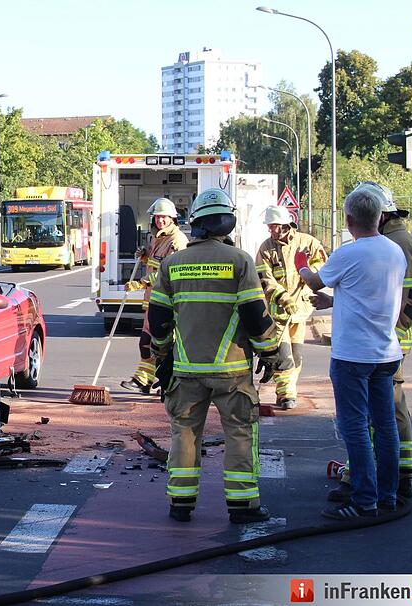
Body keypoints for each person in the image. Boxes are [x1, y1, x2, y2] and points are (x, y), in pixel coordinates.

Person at [148, 188, 289, 524]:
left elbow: (158, 319)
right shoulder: (240, 261)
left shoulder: (173, 263)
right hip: (232, 372)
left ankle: (180, 503)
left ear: (195, 222)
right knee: (239, 433)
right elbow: (256, 317)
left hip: (186, 371)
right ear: (228, 222)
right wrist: (271, 354)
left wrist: (161, 354)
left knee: (184, 432)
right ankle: (242, 505)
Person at [296, 185, 405, 519]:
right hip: (386, 354)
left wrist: (302, 267)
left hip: (353, 356)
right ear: (380, 216)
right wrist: (334, 302)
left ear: (348, 220)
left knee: (355, 426)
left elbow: (315, 281)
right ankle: (387, 496)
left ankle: (363, 501)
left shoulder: (348, 253)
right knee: (385, 426)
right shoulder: (394, 251)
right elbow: (368, 294)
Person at [326, 181, 412, 503]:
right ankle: (386, 488)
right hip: (385, 347)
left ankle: (368, 493)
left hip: (368, 348)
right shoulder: (393, 245)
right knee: (382, 421)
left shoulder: (383, 244)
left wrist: (391, 329)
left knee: (362, 422)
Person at [254, 206, 328, 410]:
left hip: (301, 310)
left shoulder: (306, 243)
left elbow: (323, 263)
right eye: (269, 226)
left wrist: (308, 273)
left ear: (285, 225)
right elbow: (264, 279)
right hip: (278, 312)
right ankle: (285, 393)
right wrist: (283, 298)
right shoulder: (266, 248)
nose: (270, 229)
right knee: (283, 355)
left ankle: (289, 390)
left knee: (296, 355)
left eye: (274, 226)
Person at [121, 198, 188, 394]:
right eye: (157, 217)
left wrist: (141, 283)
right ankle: (144, 379)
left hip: (168, 301)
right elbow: (154, 263)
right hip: (153, 299)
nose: (160, 220)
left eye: (164, 217)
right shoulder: (156, 237)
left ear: (172, 218)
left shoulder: (177, 240)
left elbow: (169, 273)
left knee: (163, 344)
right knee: (147, 341)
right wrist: (144, 256)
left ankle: (167, 381)